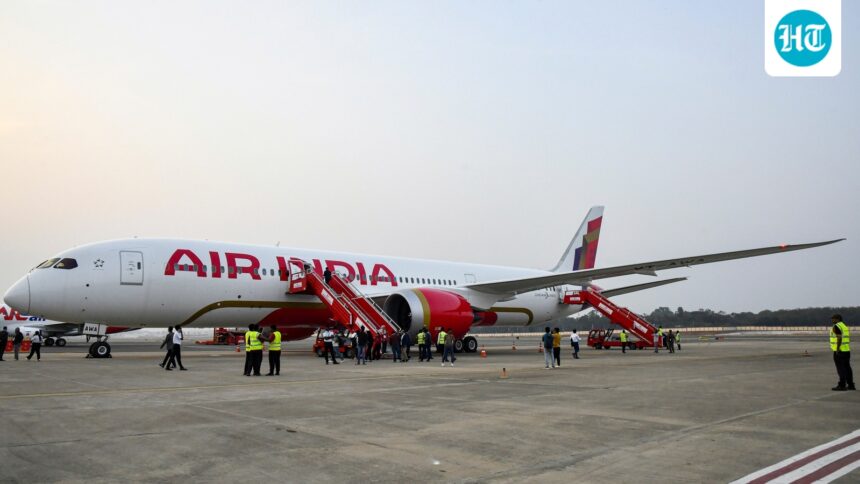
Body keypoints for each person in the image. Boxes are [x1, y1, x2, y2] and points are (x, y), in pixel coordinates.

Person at [830, 314, 855, 391]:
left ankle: (842, 385)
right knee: (847, 368)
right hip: (846, 350)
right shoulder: (844, 326)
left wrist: (837, 348)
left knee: (841, 368)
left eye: (833, 319)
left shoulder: (836, 326)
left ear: (837, 319)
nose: (832, 320)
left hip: (839, 351)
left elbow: (839, 338)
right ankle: (851, 385)